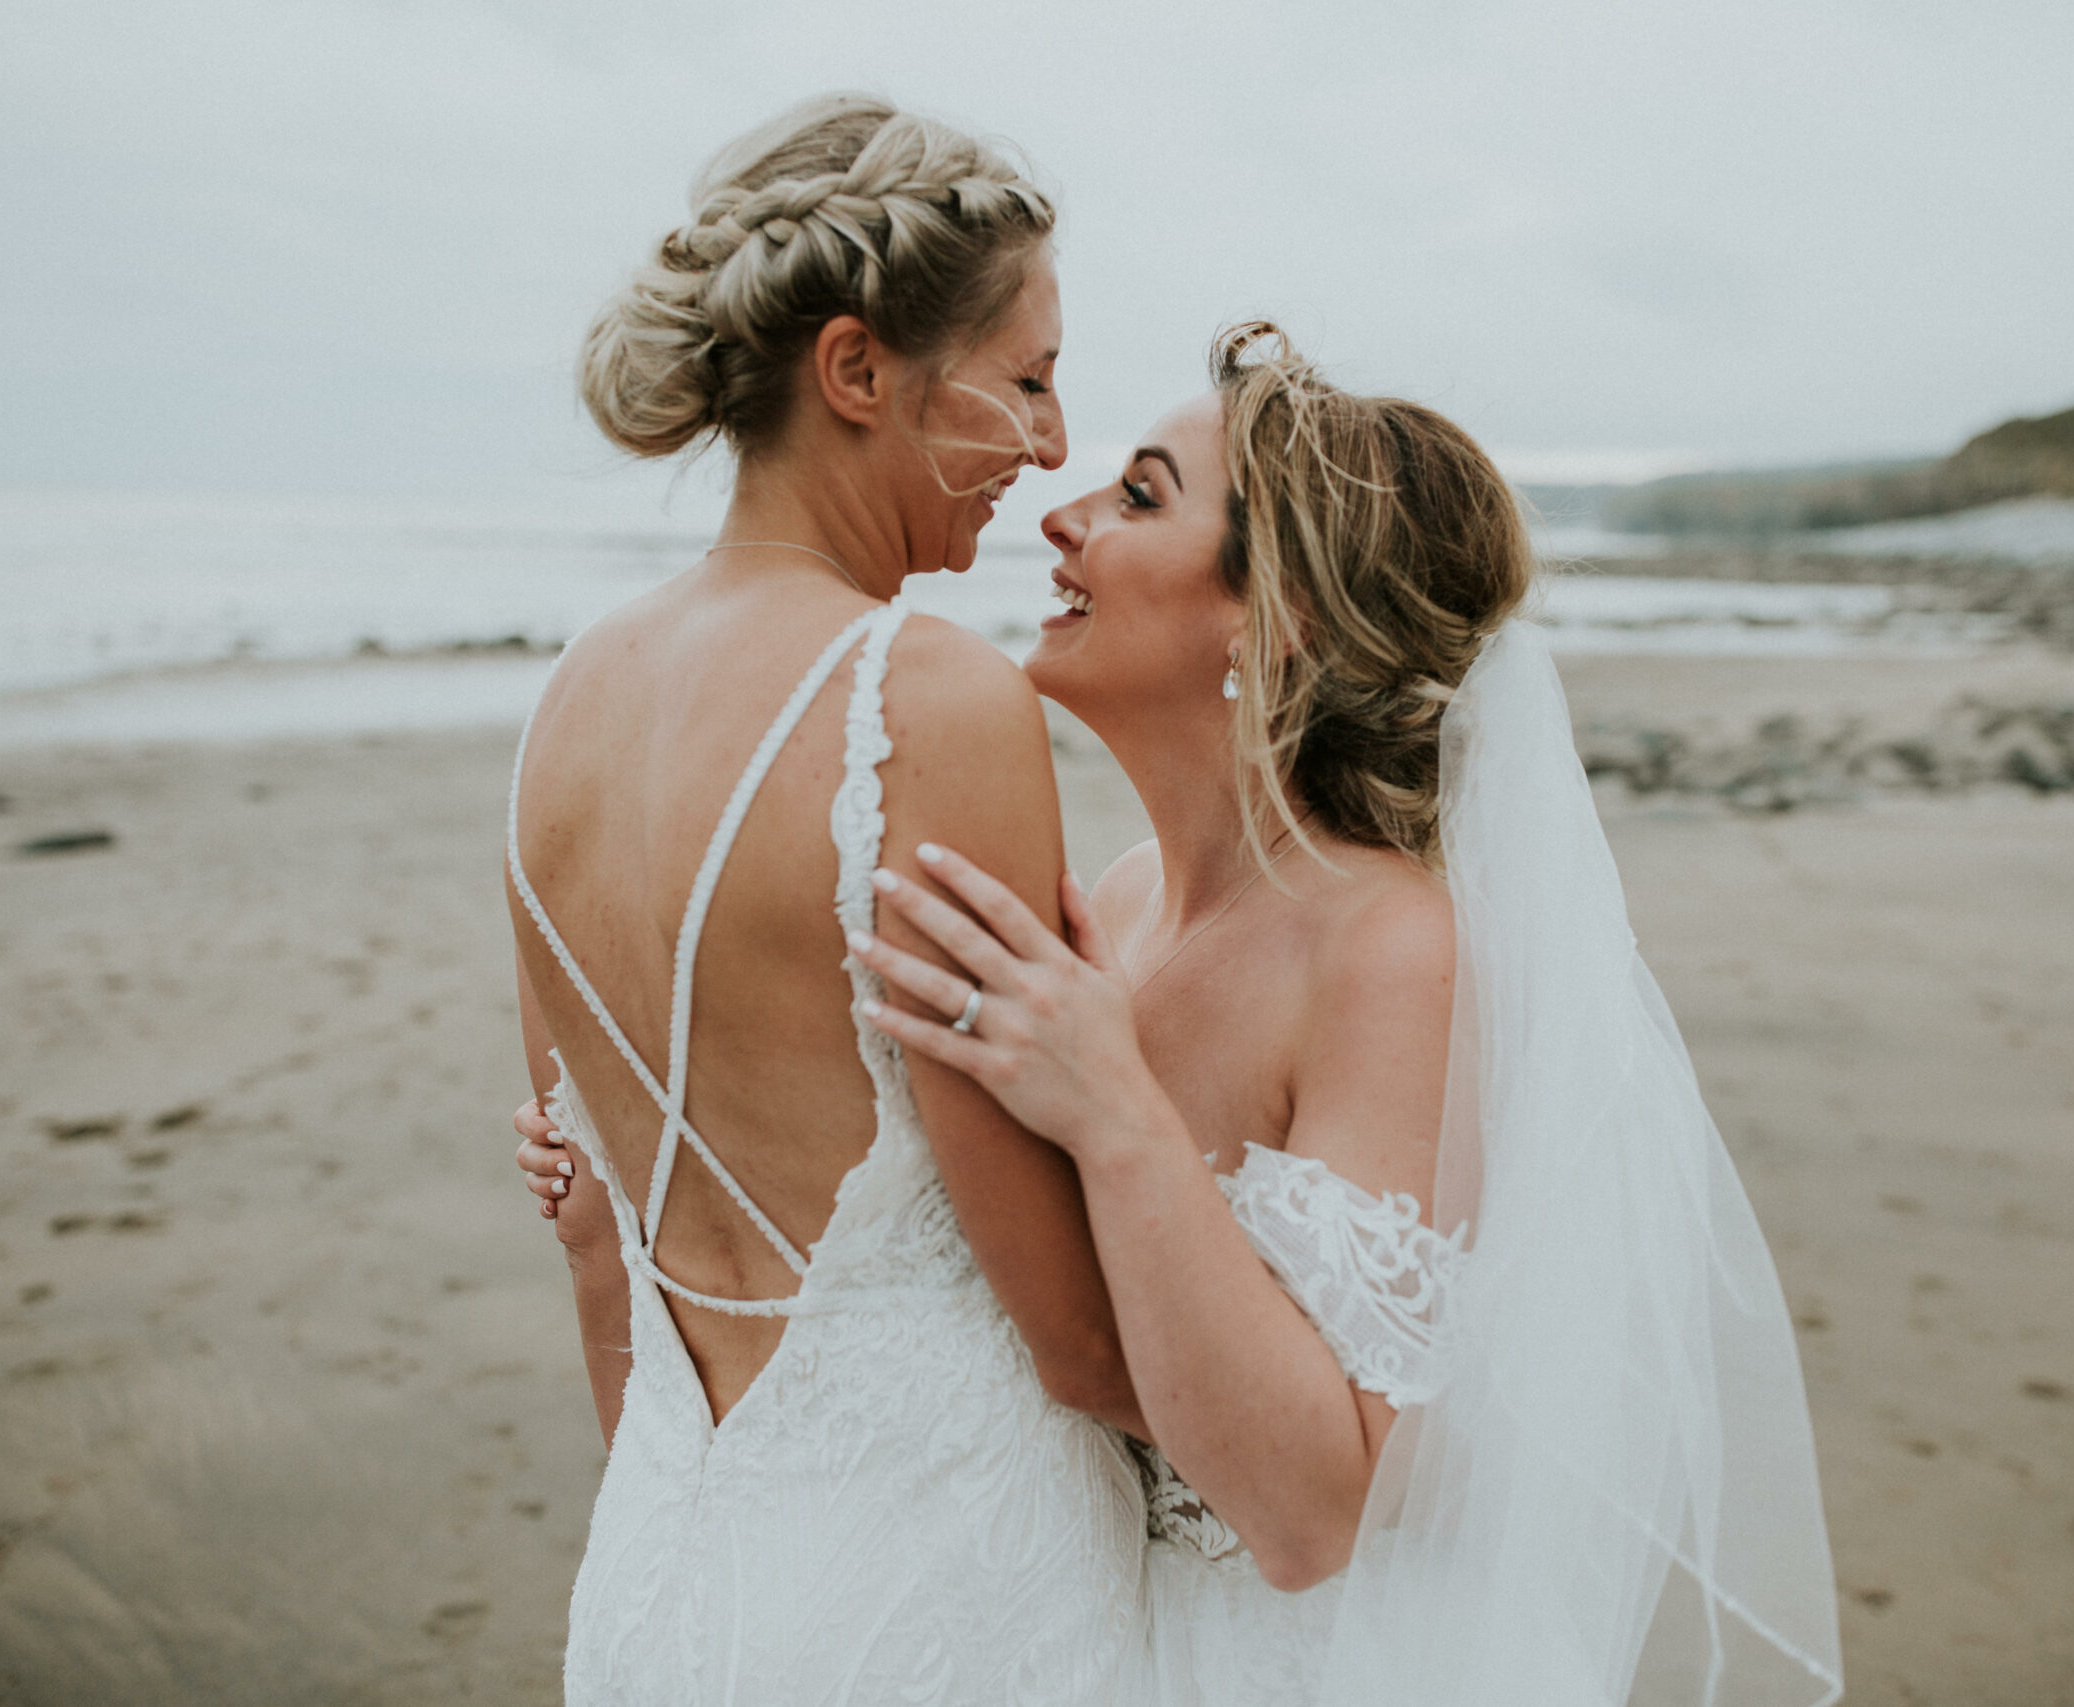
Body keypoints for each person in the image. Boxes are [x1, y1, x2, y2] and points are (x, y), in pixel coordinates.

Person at [524, 320, 1844, 1704]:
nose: (1064, 513)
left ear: (1279, 622)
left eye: (1141, 496)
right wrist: (620, 1219)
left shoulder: (1390, 952)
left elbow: (1316, 1510)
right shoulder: (1124, 897)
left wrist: (1119, 1115)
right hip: (1051, 1623)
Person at [505, 92, 1157, 1704]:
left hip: (662, 1572)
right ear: (858, 370)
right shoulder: (922, 702)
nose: (1058, 447)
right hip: (941, 1597)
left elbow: (609, 1238)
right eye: (1027, 381)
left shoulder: (564, 704)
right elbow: (1075, 1343)